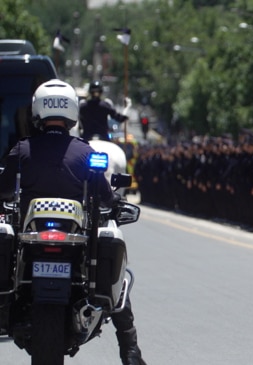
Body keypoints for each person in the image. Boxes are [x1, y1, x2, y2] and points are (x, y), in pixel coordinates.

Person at [0, 79, 146, 365]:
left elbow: (4, 190)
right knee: (118, 273)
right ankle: (130, 351)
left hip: (30, 240)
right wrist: (116, 205)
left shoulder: (23, 149)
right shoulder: (85, 152)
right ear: (72, 112)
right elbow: (104, 197)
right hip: (74, 244)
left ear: (37, 111)